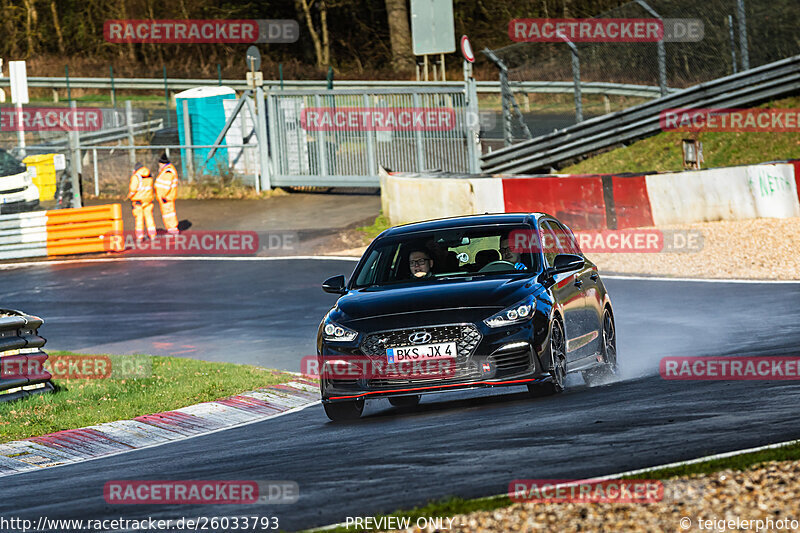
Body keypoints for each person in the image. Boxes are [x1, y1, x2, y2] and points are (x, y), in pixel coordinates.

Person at [127, 163, 156, 242]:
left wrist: (129, 196)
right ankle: (152, 235)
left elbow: (133, 189)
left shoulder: (136, 177)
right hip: (148, 200)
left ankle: (140, 236)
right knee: (149, 218)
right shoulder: (149, 176)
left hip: (138, 201)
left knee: (139, 219)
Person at [154, 153, 179, 235]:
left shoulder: (168, 171)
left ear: (162, 163)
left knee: (169, 213)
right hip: (165, 197)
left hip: (166, 197)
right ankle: (170, 228)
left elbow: (165, 185)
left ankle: (173, 229)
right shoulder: (166, 170)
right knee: (167, 213)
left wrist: (163, 196)